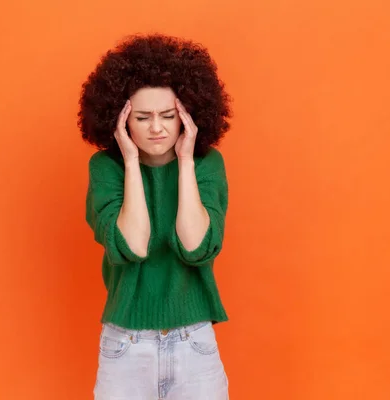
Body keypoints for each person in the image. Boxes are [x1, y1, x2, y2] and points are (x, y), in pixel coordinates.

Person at [78, 33, 232, 400]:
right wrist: (131, 161)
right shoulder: (106, 167)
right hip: (126, 345)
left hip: (194, 342)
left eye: (168, 115)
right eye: (143, 117)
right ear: (121, 121)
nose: (157, 127)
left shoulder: (206, 165)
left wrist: (184, 161)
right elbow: (133, 244)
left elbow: (196, 247)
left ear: (188, 117)